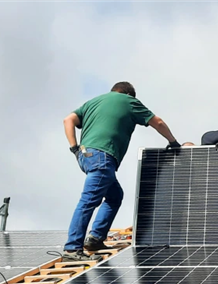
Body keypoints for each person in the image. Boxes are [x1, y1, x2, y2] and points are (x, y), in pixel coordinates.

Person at [62, 81, 181, 261]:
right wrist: (173, 142)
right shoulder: (128, 101)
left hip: (87, 156)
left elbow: (68, 120)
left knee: (115, 196)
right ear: (129, 94)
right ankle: (72, 249)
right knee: (88, 201)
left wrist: (74, 149)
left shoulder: (93, 102)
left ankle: (95, 239)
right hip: (103, 157)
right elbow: (158, 122)